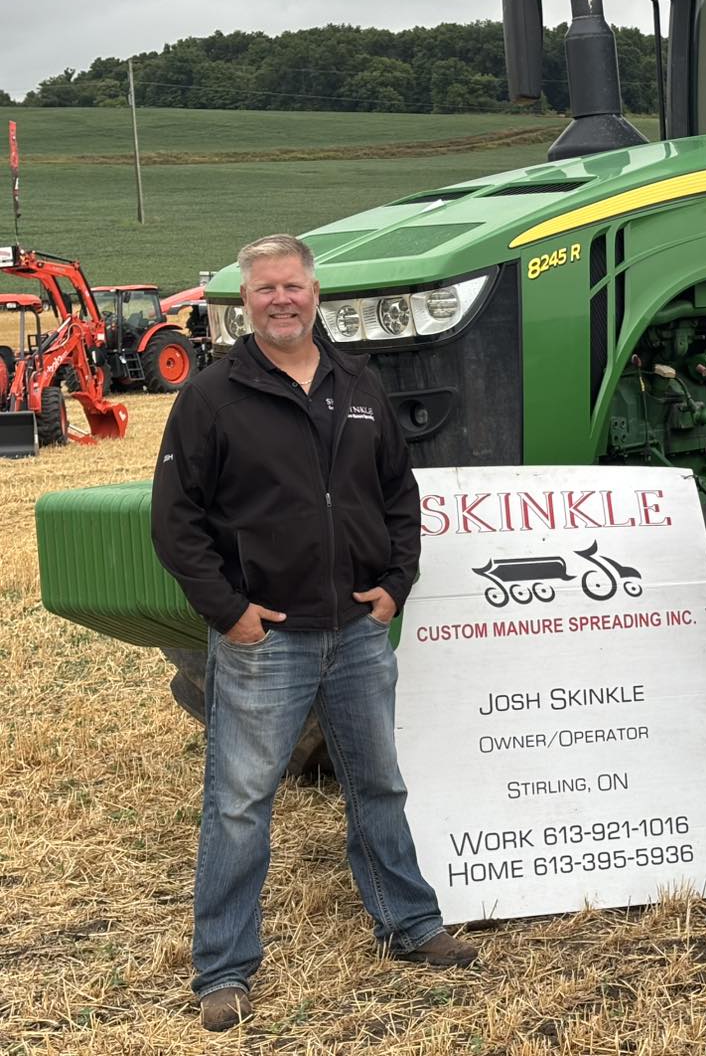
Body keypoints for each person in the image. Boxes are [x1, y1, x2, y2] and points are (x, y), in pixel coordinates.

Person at [151, 234, 475, 1032]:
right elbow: (176, 522)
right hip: (269, 639)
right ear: (244, 303)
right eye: (264, 291)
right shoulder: (212, 397)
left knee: (378, 786)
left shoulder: (357, 383)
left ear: (314, 291)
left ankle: (410, 925)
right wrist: (229, 613)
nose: (281, 300)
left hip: (358, 632)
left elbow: (399, 492)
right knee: (238, 804)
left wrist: (396, 584)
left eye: (292, 286)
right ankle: (223, 968)